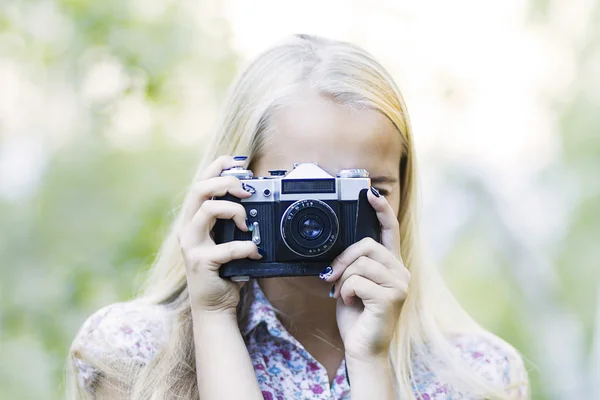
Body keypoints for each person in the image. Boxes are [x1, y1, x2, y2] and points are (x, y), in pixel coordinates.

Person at [67, 34, 529, 400]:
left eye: (361, 190)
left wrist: (371, 363)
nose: (318, 220)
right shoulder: (134, 354)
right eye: (296, 189)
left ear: (404, 195)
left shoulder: (479, 378)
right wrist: (213, 316)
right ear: (231, 188)